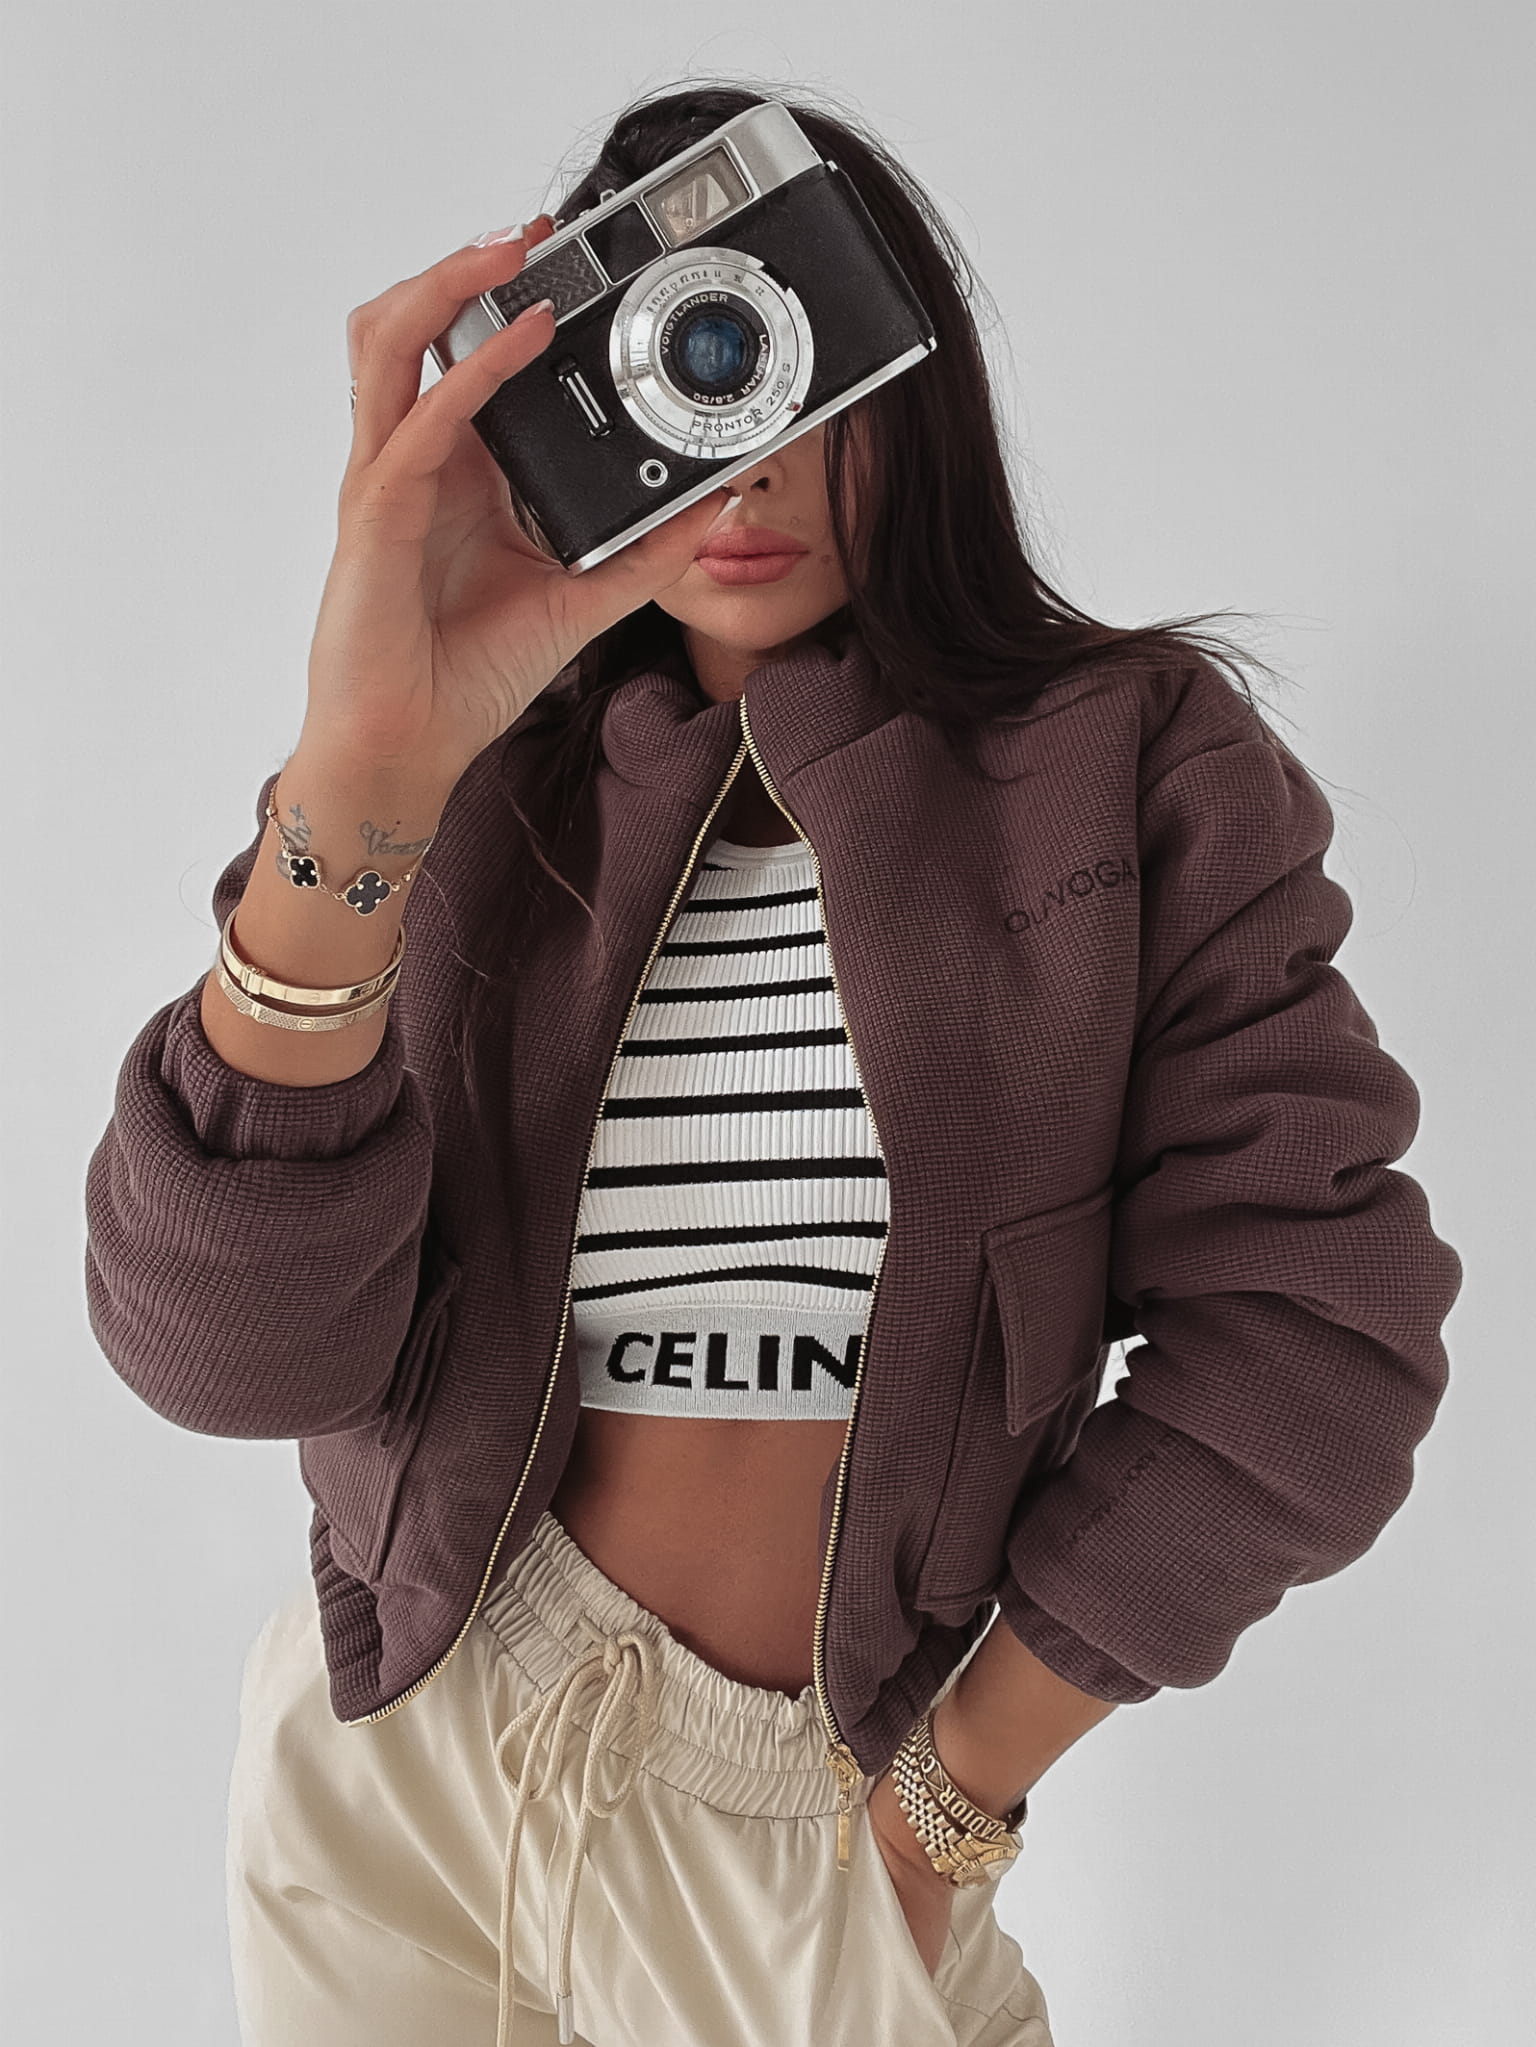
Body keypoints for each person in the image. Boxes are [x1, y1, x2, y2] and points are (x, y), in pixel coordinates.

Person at [84, 82, 1462, 2047]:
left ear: (907, 367)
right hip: (392, 1755)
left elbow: (1317, 1340)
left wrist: (950, 1793)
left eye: (779, 339)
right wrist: (365, 766)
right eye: (663, 361)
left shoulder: (1130, 766)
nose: (742, 444)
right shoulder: (450, 790)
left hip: (810, 1802)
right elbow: (225, 1358)